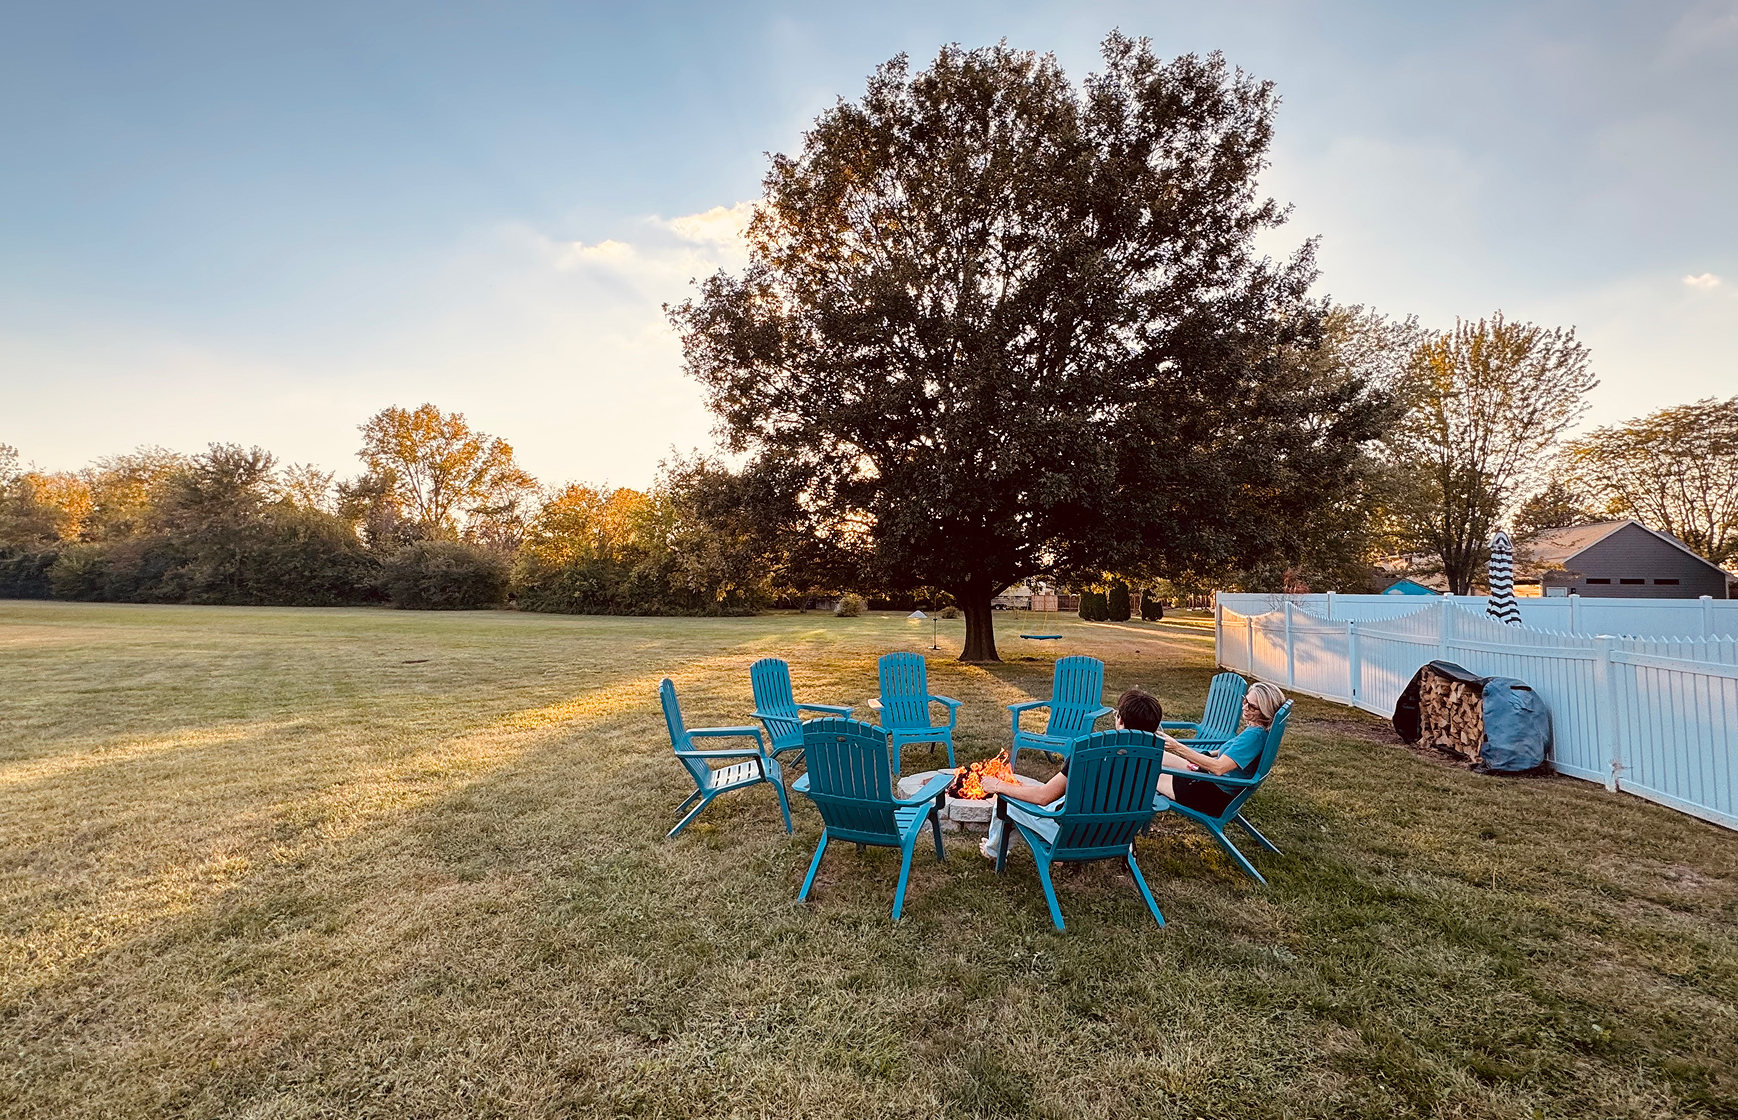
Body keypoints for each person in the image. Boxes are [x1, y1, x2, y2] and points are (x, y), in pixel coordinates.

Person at [976, 687, 1167, 860]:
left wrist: (998, 786)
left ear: (1120, 721)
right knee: (1031, 796)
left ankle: (992, 852)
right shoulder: (1154, 758)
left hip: (1072, 836)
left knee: (1008, 803)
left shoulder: (1090, 753)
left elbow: (1043, 798)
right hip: (1116, 835)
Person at [1153, 681, 1285, 816]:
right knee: (1158, 755)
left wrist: (1177, 747)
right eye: (1245, 700)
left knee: (1144, 773)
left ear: (1266, 711)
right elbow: (1233, 751)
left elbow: (1218, 768)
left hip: (1210, 794)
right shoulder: (1259, 730)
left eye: (1252, 707)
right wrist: (1206, 755)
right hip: (1210, 781)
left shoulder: (1254, 737)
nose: (1245, 707)